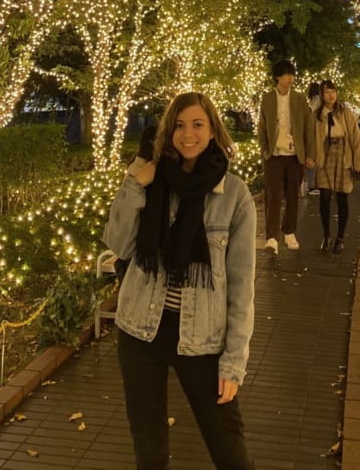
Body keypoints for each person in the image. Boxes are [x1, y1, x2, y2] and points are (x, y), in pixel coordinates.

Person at [103, 92, 256, 470]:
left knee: (228, 444)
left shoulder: (233, 195)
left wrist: (234, 361)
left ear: (213, 131)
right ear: (168, 132)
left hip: (202, 338)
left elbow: (241, 286)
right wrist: (136, 183)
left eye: (198, 124)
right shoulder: (153, 179)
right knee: (149, 446)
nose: (188, 135)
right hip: (139, 330)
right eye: (179, 126)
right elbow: (119, 244)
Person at [257, 59, 315, 253]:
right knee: (272, 196)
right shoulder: (267, 98)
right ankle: (272, 237)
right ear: (277, 77)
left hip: (294, 154)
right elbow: (262, 125)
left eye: (292, 74)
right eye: (286, 74)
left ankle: (289, 232)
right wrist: (264, 149)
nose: (291, 78)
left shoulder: (299, 99)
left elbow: (308, 128)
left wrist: (309, 154)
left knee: (292, 195)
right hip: (273, 154)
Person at [312, 80, 360, 253]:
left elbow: (356, 139)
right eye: (327, 92)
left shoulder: (346, 113)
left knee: (342, 198)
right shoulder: (317, 114)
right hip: (325, 155)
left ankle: (340, 237)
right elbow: (312, 138)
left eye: (333, 91)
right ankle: (326, 234)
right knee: (325, 196)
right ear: (322, 95)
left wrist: (359, 164)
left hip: (344, 155)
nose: (331, 95)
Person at [300, 81, 322, 196]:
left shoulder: (310, 102)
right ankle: (312, 186)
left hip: (309, 133)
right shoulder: (318, 102)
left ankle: (310, 185)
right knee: (313, 159)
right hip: (315, 133)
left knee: (310, 159)